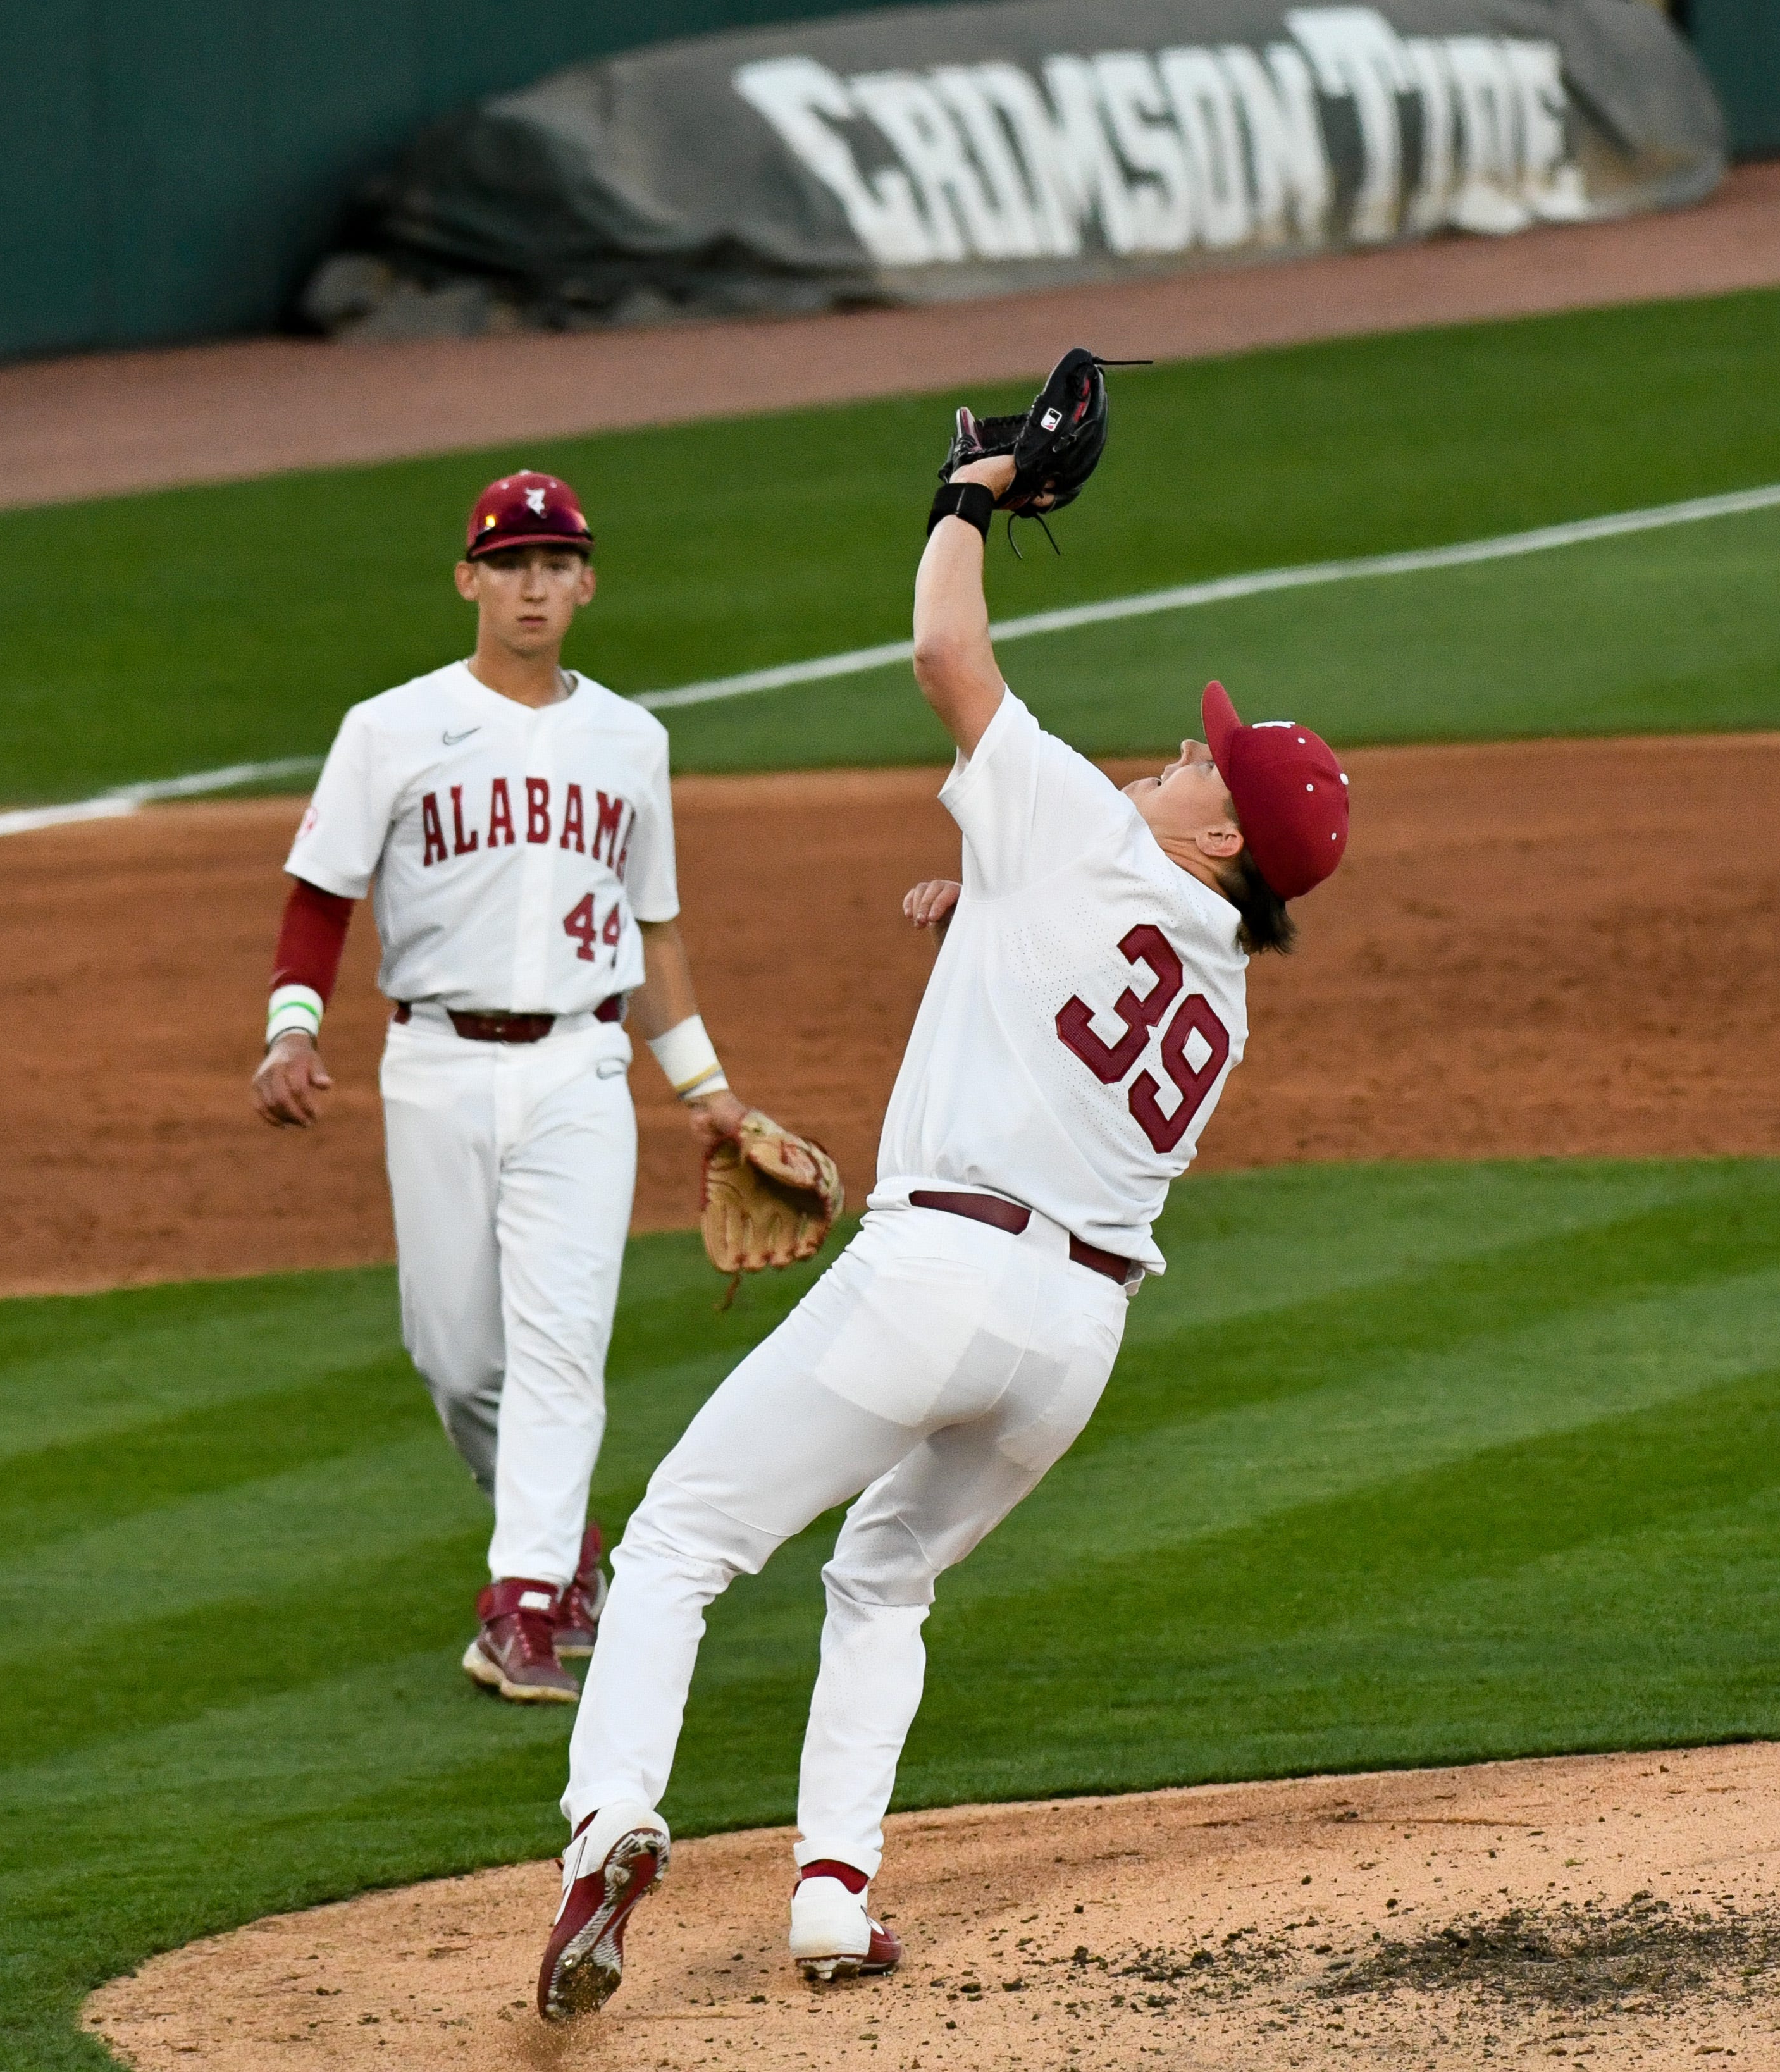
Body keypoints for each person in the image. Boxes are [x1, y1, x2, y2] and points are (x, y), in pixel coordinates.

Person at [533, 436, 1350, 2018]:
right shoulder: (1221, 988)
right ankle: (834, 1896)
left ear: (1219, 840)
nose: (1172, 757)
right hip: (1072, 1341)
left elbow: (943, 653)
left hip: (937, 1275)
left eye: (1199, 766)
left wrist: (970, 496)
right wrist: (979, 897)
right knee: (884, 1578)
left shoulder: (1087, 835)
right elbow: (1069, 980)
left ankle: (609, 1823)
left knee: (679, 1544)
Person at [250, 470, 745, 1705]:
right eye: (509, 561)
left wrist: (707, 1091)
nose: (533, 584)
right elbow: (321, 894)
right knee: (459, 1356)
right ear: (468, 578)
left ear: (585, 583)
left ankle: (522, 1604)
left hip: (581, 1066)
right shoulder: (391, 727)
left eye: (554, 562)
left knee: (561, 1345)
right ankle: (562, 1545)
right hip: (434, 1065)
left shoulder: (634, 741)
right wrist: (291, 1029)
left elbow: (658, 929)